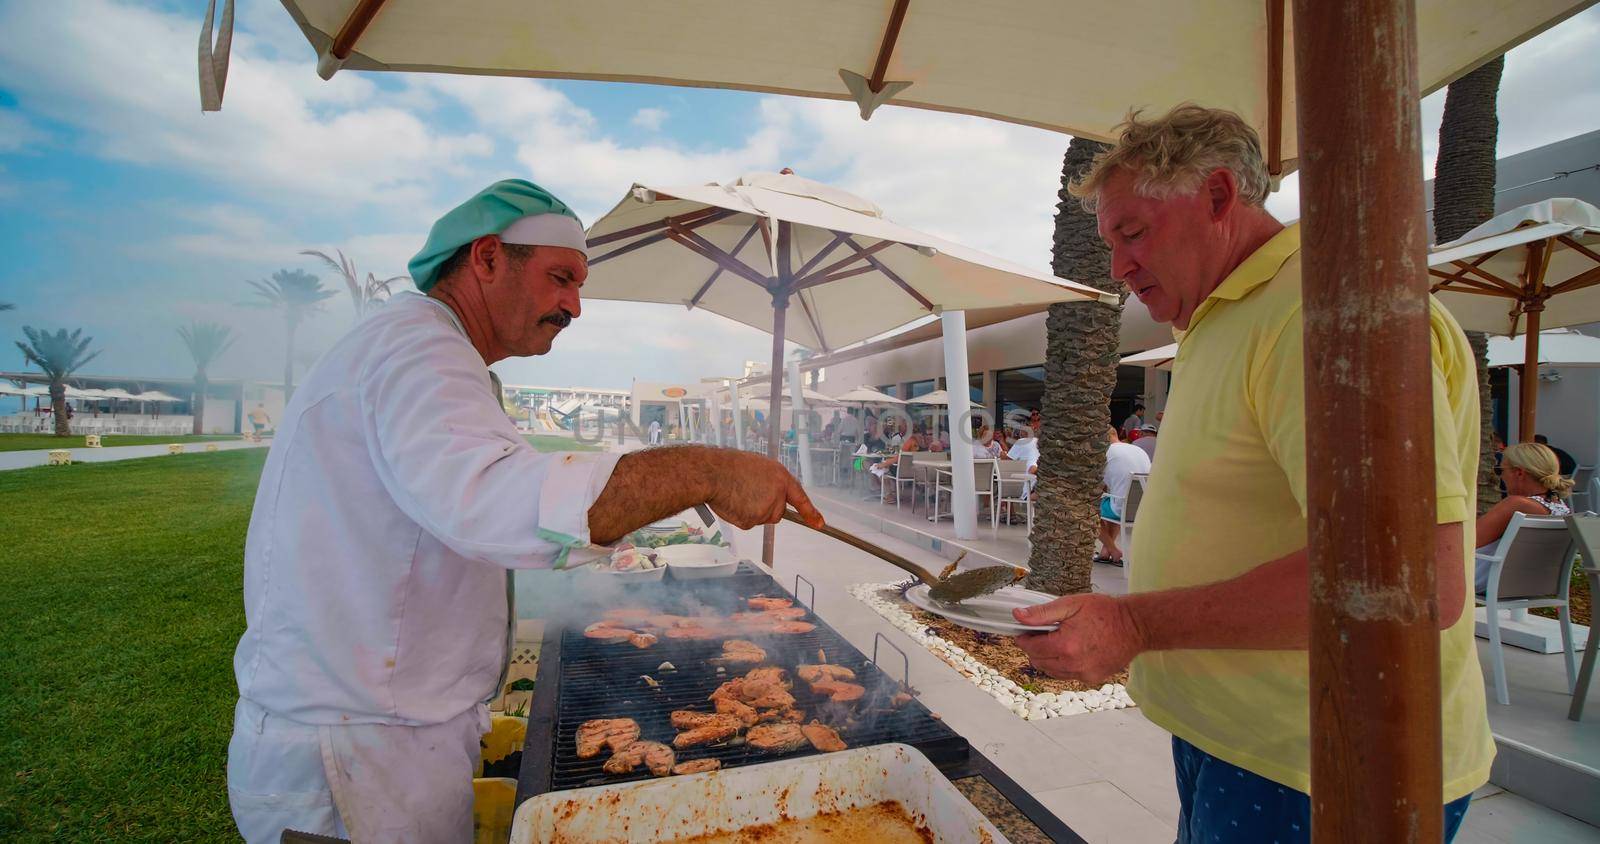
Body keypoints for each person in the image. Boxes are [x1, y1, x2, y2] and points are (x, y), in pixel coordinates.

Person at [227, 179, 824, 844]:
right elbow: (495, 500)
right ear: (486, 258)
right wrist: (711, 470)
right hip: (358, 758)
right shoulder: (417, 352)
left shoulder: (425, 349)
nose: (574, 306)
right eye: (560, 278)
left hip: (382, 736)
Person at [1011, 105, 1489, 843]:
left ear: (1218, 197)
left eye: (1133, 233)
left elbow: (1412, 579)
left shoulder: (1324, 310)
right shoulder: (1220, 313)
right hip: (1241, 742)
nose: (1118, 267)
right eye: (1109, 243)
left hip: (1321, 761)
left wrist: (1135, 621)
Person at [1474, 443, 1574, 592]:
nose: (1500, 476)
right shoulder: (1562, 510)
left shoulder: (1516, 505)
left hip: (1483, 579)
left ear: (1519, 473)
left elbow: (1467, 542)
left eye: (1500, 470)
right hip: (1531, 584)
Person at [1097, 426, 1151, 565]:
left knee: (1085, 509)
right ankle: (1105, 551)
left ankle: (1113, 549)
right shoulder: (1137, 449)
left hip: (1121, 509)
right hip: (1143, 508)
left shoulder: (1106, 453)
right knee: (1116, 499)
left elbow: (1095, 488)